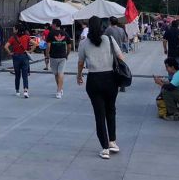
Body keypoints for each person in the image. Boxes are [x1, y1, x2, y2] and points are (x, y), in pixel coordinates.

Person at [77, 16, 124, 160]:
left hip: (94, 79)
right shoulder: (109, 40)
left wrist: (79, 75)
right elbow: (121, 57)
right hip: (110, 79)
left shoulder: (84, 43)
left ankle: (104, 148)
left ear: (89, 27)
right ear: (102, 26)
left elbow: (80, 62)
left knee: (99, 114)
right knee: (111, 110)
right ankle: (112, 142)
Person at [4, 23, 36, 98]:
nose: (13, 29)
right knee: (25, 75)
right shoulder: (26, 37)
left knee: (17, 75)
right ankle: (25, 91)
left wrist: (10, 53)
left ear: (17, 30)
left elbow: (6, 46)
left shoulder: (13, 38)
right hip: (24, 56)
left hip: (16, 57)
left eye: (14, 28)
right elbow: (35, 44)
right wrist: (30, 51)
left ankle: (17, 91)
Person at [47, 19, 71, 99]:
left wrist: (47, 55)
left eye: (52, 24)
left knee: (57, 74)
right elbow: (69, 46)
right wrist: (67, 54)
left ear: (55, 24)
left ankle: (59, 90)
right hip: (63, 56)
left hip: (53, 56)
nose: (51, 25)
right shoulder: (65, 33)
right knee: (60, 74)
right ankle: (59, 90)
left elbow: (48, 46)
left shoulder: (51, 33)